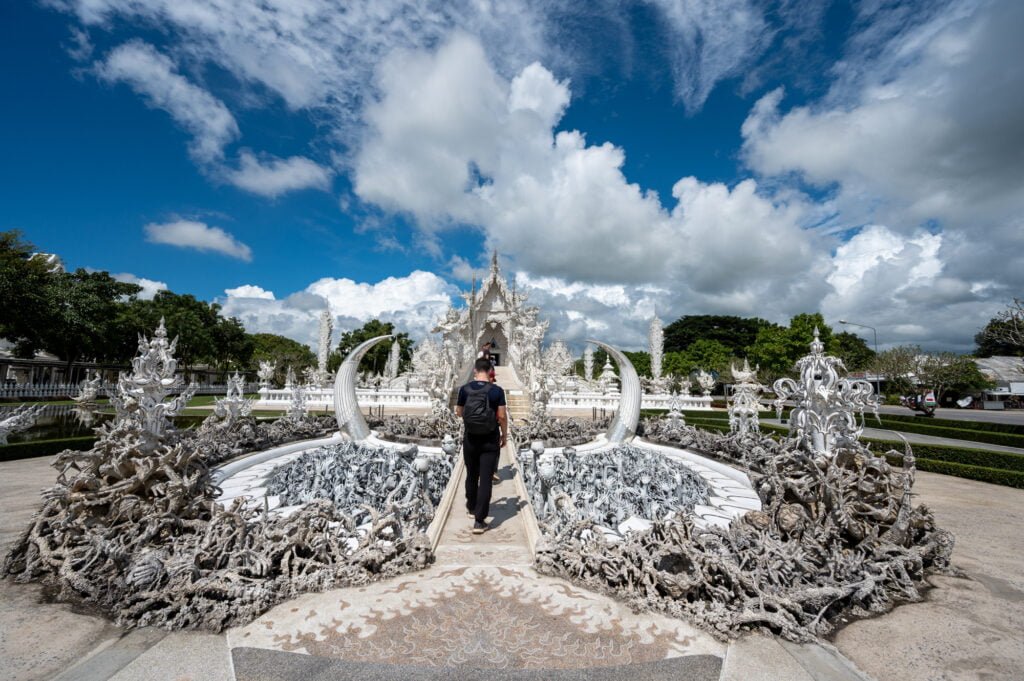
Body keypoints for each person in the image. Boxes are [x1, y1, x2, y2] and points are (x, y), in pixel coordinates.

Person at [456, 357, 508, 534]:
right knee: (485, 478)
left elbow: (458, 412)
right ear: (490, 371)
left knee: (471, 474)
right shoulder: (497, 391)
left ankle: (471, 507)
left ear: (475, 371)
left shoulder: (465, 389)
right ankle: (479, 521)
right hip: (489, 438)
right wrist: (504, 435)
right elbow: (501, 416)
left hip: (470, 438)